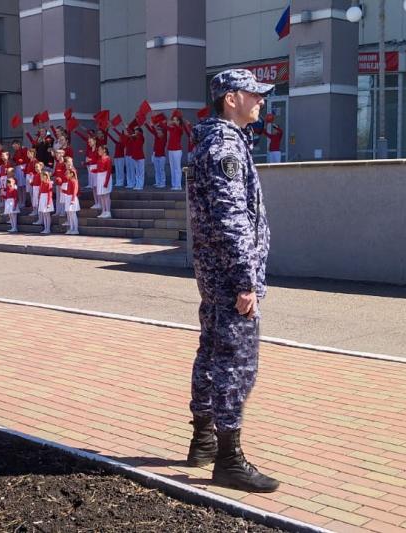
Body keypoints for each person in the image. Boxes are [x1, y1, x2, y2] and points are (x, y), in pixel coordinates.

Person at [185, 68, 279, 493]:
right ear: (230, 99)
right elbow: (231, 219)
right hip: (230, 276)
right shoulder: (225, 147)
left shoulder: (218, 142)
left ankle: (203, 442)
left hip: (214, 273)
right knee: (236, 363)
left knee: (211, 353)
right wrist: (246, 279)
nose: (260, 100)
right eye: (252, 93)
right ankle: (229, 459)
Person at [91, 145, 113, 218]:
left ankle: (108, 211)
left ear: (104, 150)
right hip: (99, 177)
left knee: (106, 195)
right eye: (98, 150)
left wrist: (106, 182)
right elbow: (99, 169)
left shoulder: (108, 159)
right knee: (101, 195)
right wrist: (94, 170)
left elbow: (109, 171)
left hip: (105, 177)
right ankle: (103, 211)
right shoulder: (99, 159)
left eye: (100, 150)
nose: (98, 151)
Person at [167, 115, 187, 190]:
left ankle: (178, 185)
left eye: (175, 120)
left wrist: (174, 123)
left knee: (177, 168)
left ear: (178, 121)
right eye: (173, 120)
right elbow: (165, 127)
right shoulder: (172, 129)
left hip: (177, 150)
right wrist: (164, 122)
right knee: (172, 168)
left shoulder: (180, 129)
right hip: (171, 150)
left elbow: (179, 128)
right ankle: (174, 184)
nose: (174, 121)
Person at [145, 120, 167, 188]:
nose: (158, 133)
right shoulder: (156, 137)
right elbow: (152, 131)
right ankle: (158, 182)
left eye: (160, 132)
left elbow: (165, 130)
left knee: (161, 170)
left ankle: (163, 183)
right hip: (156, 155)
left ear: (162, 133)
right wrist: (146, 124)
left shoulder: (164, 138)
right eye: (158, 132)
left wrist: (161, 123)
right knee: (157, 170)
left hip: (162, 157)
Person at [63, 168, 80, 235]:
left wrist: (72, 200)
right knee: (70, 215)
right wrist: (64, 191)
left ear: (72, 174)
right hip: (68, 198)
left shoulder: (74, 181)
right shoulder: (69, 181)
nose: (66, 175)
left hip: (72, 199)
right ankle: (71, 228)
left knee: (73, 214)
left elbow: (75, 191)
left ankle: (76, 229)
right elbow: (68, 191)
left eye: (67, 173)